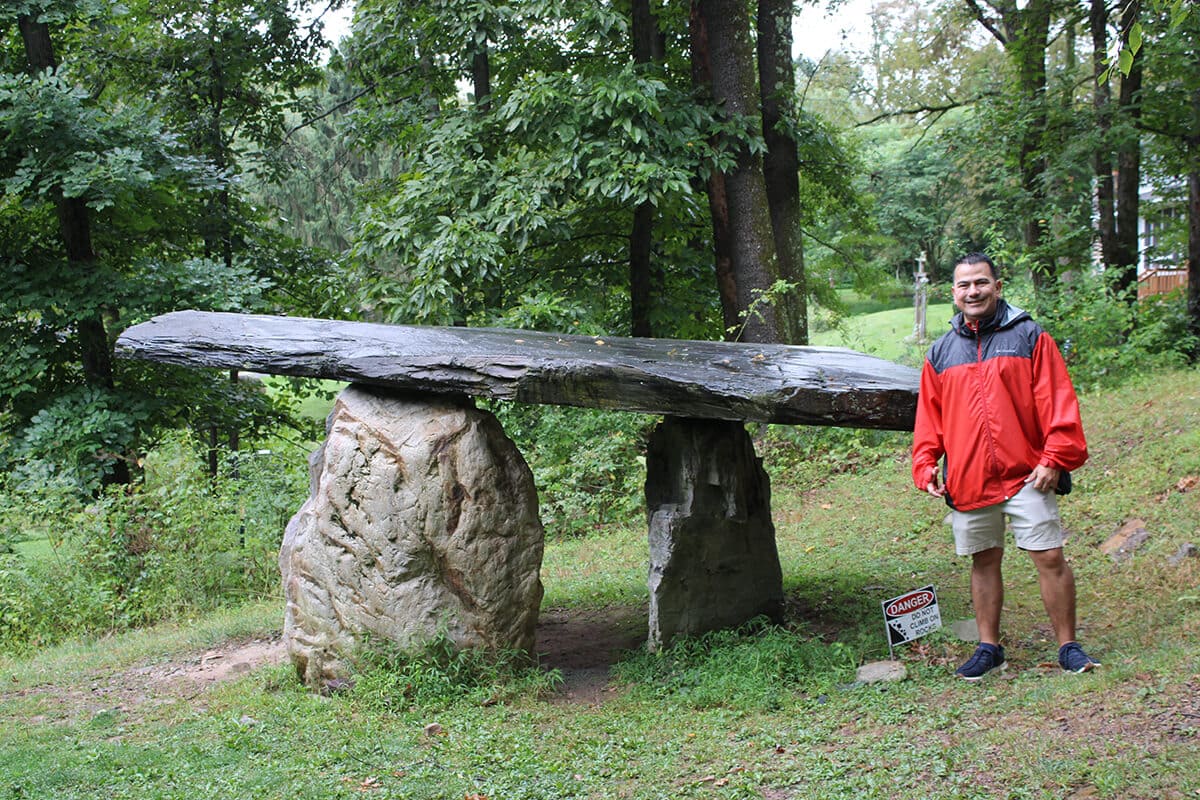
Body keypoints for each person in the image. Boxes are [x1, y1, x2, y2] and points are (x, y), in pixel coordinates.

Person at [911, 252, 1099, 680]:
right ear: (953, 293)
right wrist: (925, 464)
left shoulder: (1030, 337)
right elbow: (930, 419)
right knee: (984, 559)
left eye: (981, 282)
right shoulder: (940, 353)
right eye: (964, 285)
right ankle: (989, 647)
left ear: (998, 286)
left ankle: (1068, 645)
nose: (972, 291)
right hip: (970, 475)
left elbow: (1058, 402)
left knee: (1050, 555)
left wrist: (1054, 458)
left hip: (1027, 472)